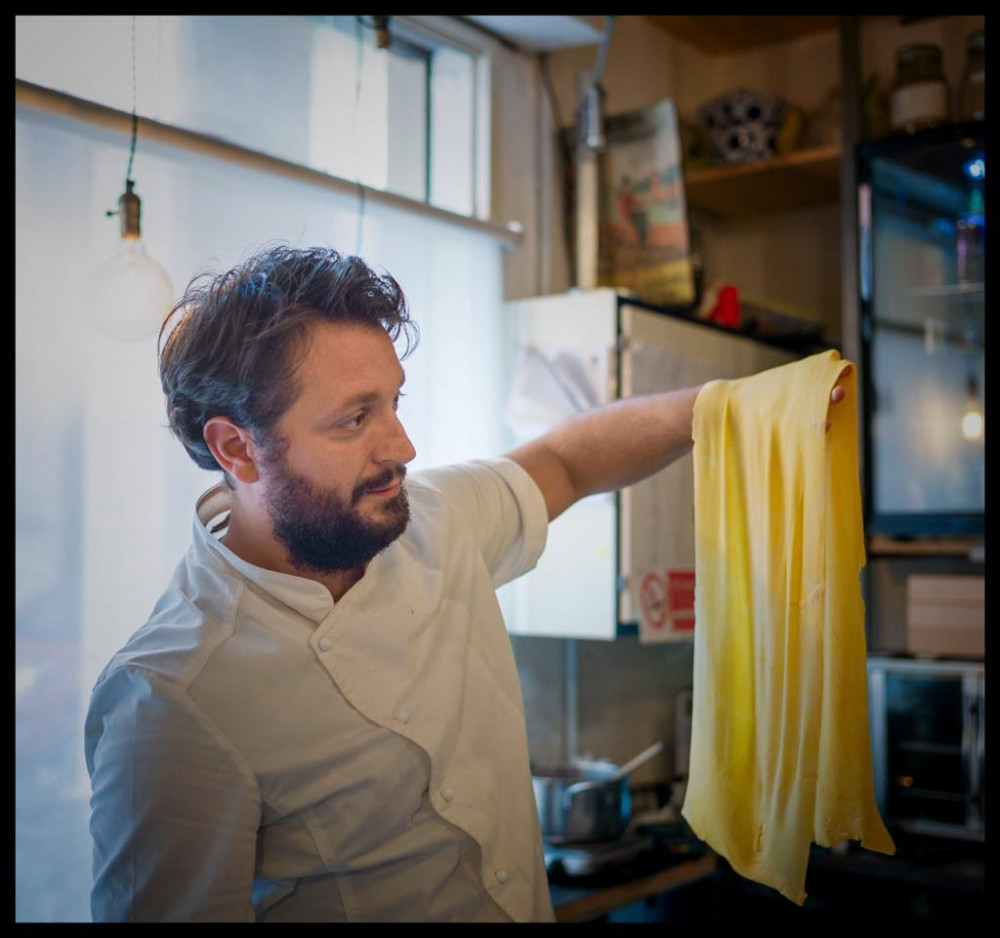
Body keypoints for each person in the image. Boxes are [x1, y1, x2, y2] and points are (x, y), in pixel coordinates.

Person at [84, 243, 847, 923]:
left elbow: (566, 461)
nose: (402, 447)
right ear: (237, 449)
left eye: (393, 402)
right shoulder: (172, 699)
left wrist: (726, 412)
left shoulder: (431, 521)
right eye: (354, 420)